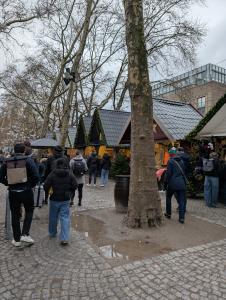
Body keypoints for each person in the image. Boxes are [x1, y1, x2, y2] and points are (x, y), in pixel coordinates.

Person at [0, 143, 39, 247]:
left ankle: (17, 240)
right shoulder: (28, 160)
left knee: (15, 214)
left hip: (13, 192)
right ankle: (25, 234)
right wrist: (30, 185)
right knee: (29, 210)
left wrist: (8, 183)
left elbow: (0, 177)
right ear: (24, 151)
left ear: (14, 150)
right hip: (26, 191)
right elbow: (36, 176)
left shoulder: (7, 161)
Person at [44, 158, 77, 245]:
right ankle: (64, 238)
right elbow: (75, 185)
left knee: (53, 216)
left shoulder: (52, 173)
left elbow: (45, 186)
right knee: (65, 218)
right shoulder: (70, 174)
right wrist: (70, 191)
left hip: (54, 198)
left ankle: (52, 232)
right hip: (65, 199)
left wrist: (49, 191)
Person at [164, 148, 188, 224]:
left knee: (168, 197)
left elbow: (168, 174)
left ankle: (168, 213)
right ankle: (181, 218)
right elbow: (184, 171)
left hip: (172, 183)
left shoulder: (170, 161)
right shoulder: (182, 161)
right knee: (182, 200)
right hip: (182, 183)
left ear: (171, 154)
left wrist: (165, 183)